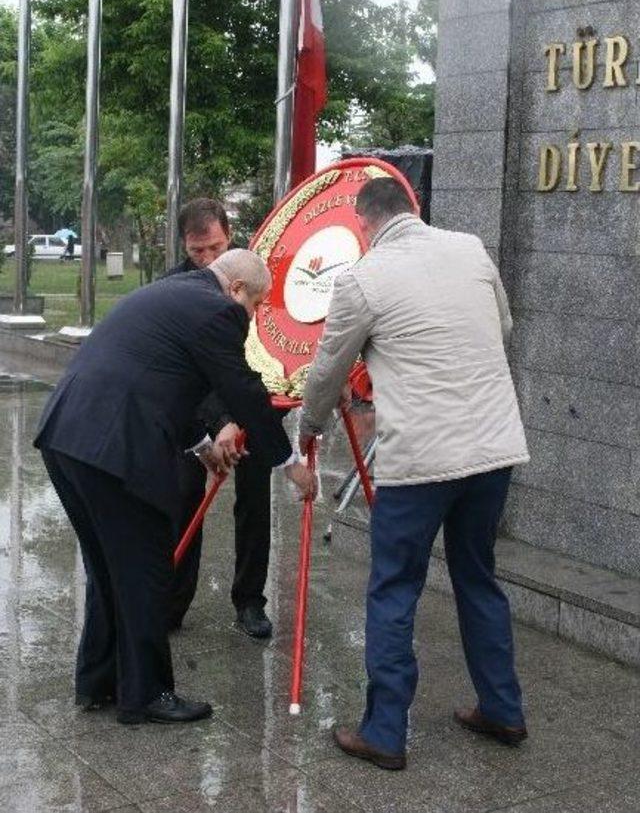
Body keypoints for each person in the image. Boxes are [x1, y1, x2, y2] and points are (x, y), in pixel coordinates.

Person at [298, 178, 530, 771]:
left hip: (421, 460)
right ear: (414, 210)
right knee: (478, 577)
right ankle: (502, 708)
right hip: (493, 449)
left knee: (395, 587)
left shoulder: (362, 278)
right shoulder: (471, 248)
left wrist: (310, 423)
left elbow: (330, 367)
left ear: (364, 224)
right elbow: (501, 329)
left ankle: (384, 732)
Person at [35, 250, 316, 726]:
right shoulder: (219, 311)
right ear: (237, 291)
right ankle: (145, 694)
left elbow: (165, 381)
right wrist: (290, 461)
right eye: (257, 304)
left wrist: (203, 444)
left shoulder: (171, 292)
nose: (253, 317)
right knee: (145, 567)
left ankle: (98, 680)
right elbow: (243, 391)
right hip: (112, 449)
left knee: (108, 568)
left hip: (68, 435)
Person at [163, 198, 280, 639]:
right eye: (197, 252)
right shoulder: (174, 286)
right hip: (197, 415)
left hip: (252, 408)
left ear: (229, 237)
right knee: (183, 499)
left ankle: (250, 601)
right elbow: (186, 375)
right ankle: (173, 602)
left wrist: (242, 419)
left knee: (254, 504)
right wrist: (218, 425)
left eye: (215, 248)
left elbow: (267, 353)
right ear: (184, 248)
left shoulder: (252, 278)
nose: (209, 261)